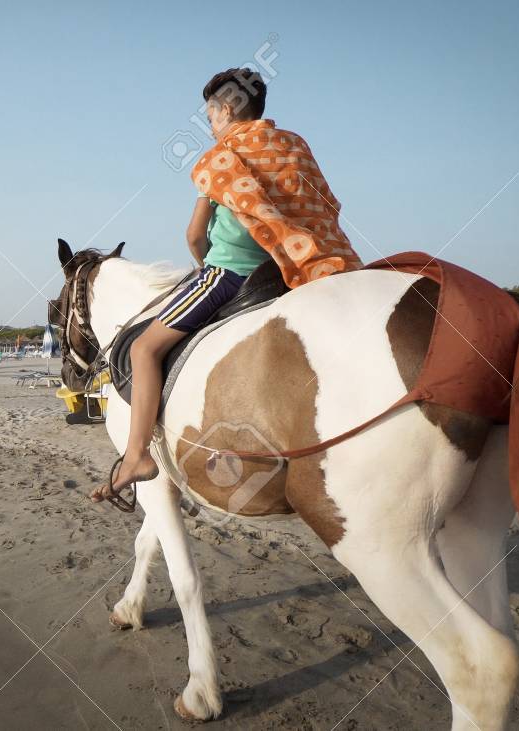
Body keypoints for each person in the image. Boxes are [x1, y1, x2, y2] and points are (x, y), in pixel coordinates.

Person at [95, 67, 359, 502]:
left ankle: (137, 455)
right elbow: (323, 206)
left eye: (211, 116)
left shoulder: (220, 158)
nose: (212, 125)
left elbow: (194, 236)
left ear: (224, 109)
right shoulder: (295, 146)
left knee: (143, 348)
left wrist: (204, 266)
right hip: (291, 271)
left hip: (230, 274)